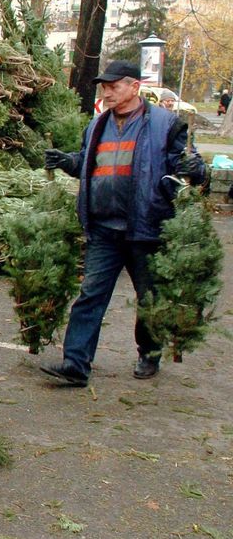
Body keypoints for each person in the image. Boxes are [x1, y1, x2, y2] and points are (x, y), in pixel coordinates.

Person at [40, 60, 206, 386]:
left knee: (149, 297)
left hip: (146, 227)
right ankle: (75, 364)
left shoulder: (165, 124)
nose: (107, 91)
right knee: (90, 295)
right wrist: (67, 161)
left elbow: (189, 168)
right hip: (104, 229)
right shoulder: (97, 126)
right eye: (104, 86)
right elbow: (92, 165)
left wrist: (194, 166)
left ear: (134, 86)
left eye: (114, 86)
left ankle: (150, 353)